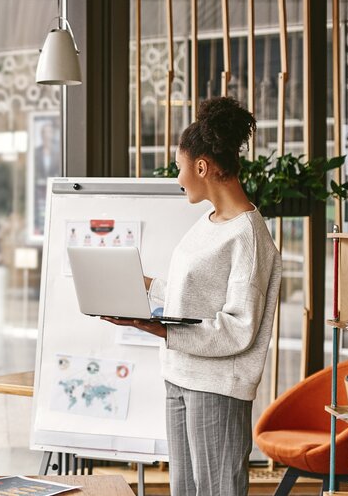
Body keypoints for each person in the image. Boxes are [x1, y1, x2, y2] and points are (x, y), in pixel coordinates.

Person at [102, 97, 281, 495]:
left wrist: (159, 330)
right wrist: (141, 285)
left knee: (216, 491)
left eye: (180, 168)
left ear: (201, 167)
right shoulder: (210, 222)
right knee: (185, 490)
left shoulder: (247, 236)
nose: (178, 177)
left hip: (217, 386)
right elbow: (191, 294)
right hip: (180, 375)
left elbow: (238, 330)